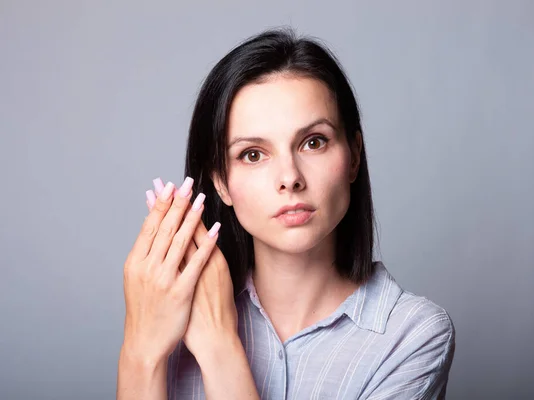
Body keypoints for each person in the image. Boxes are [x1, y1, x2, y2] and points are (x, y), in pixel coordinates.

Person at [117, 27, 455, 400]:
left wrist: (220, 348)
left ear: (354, 155)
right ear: (221, 182)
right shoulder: (170, 315)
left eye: (313, 142)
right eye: (253, 154)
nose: (290, 178)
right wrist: (141, 350)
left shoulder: (412, 335)